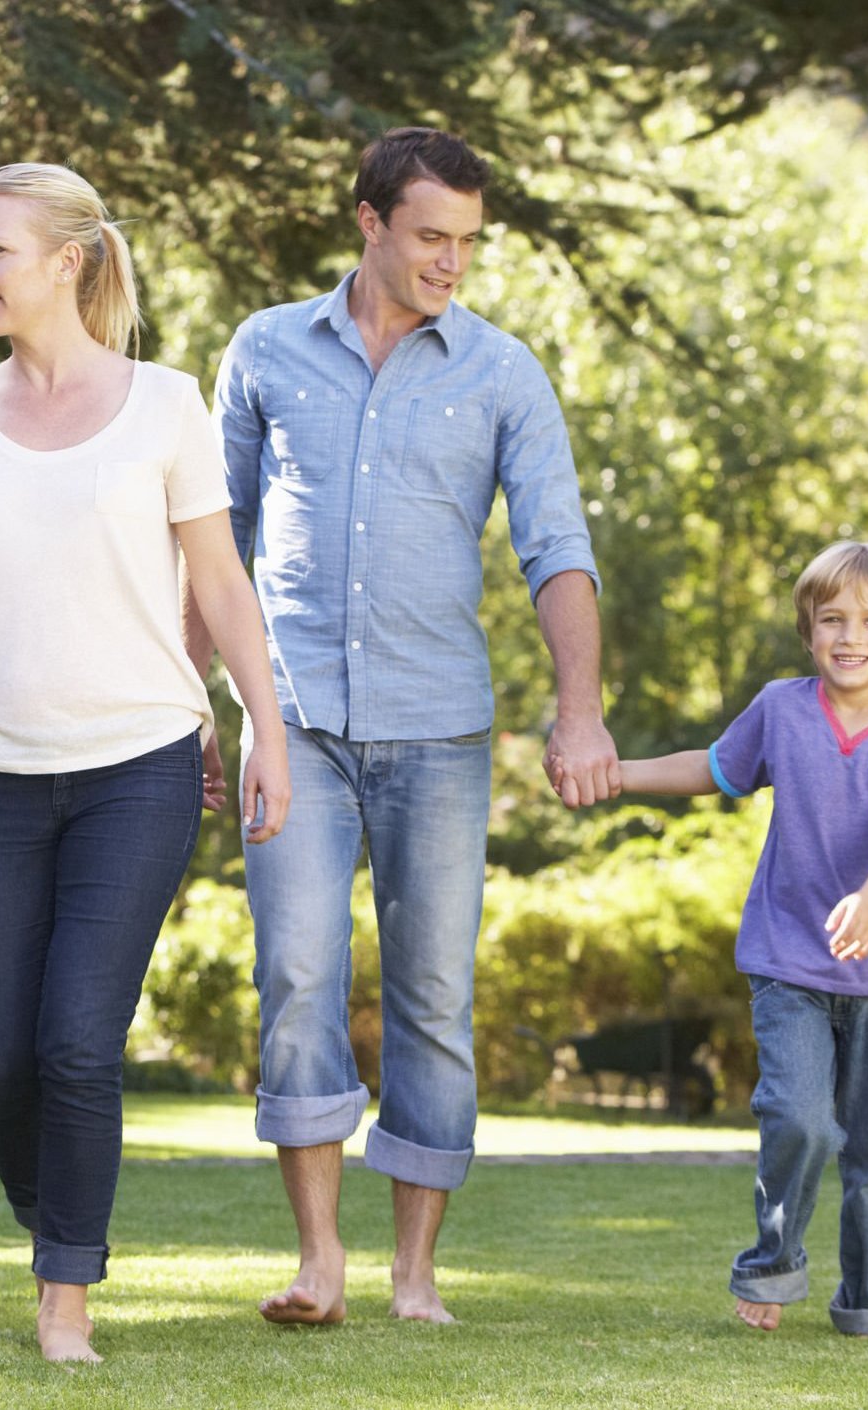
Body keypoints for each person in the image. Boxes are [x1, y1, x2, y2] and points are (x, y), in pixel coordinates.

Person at [0, 162, 292, 1364]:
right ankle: (59, 1211)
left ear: (67, 262)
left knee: (80, 1038)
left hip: (137, 765)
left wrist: (264, 729)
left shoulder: (168, 405)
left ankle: (63, 1290)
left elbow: (222, 587)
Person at [202, 127, 615, 1327]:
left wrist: (578, 710)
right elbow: (210, 542)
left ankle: (416, 1273)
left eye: (469, 242)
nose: (452, 261)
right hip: (294, 728)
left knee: (433, 995)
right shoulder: (268, 348)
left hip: (439, 733)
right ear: (370, 224)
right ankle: (320, 1260)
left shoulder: (502, 372)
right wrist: (199, 713)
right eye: (431, 236)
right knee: (296, 975)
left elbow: (557, 549)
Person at [593, 540, 868, 1337]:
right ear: (808, 631)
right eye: (831, 619)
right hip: (789, 962)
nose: (850, 636)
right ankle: (772, 1265)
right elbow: (712, 769)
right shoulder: (782, 709)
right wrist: (619, 773)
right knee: (797, 1116)